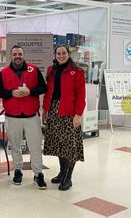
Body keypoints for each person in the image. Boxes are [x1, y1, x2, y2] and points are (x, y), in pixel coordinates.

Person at [0, 45, 47, 189]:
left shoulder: (33, 69)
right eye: (15, 54)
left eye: (20, 54)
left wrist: (30, 91)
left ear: (23, 55)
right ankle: (18, 170)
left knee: (35, 146)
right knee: (15, 146)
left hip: (31, 115)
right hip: (12, 116)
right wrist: (11, 93)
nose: (17, 56)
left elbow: (43, 88)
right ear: (10, 56)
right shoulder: (4, 72)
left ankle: (38, 174)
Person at [42, 45, 85, 191]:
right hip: (54, 110)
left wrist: (78, 114)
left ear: (68, 54)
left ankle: (68, 177)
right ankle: (62, 173)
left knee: (70, 146)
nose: (61, 56)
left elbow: (81, 95)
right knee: (59, 144)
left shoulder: (77, 71)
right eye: (58, 53)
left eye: (63, 53)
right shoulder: (51, 70)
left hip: (70, 112)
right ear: (55, 55)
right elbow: (48, 92)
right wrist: (45, 110)